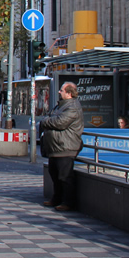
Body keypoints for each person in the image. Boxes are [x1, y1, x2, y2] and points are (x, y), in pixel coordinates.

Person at [39, 81, 84, 212]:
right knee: (54, 174)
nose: (59, 92)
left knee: (65, 176)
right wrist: (48, 121)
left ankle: (68, 202)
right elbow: (52, 118)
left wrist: (45, 122)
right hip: (56, 147)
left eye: (62, 90)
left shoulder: (72, 107)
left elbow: (60, 123)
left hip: (65, 147)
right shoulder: (61, 106)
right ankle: (57, 198)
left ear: (69, 93)